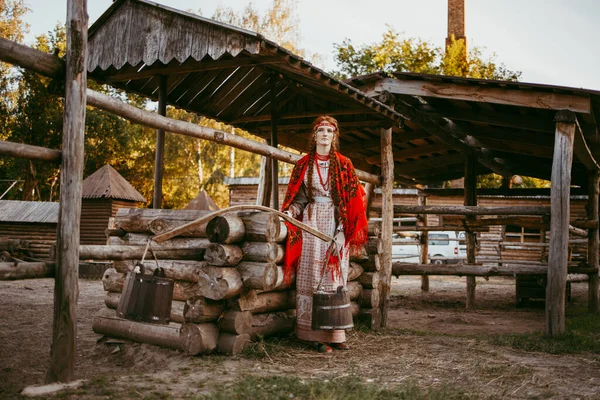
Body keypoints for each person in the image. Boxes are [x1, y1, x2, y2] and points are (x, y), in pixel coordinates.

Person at [281, 115, 368, 353]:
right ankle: (313, 336)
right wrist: (291, 210)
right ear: (315, 135)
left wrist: (343, 232)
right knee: (311, 276)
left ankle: (336, 334)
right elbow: (298, 198)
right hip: (311, 225)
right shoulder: (303, 165)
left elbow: (353, 198)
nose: (325, 135)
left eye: (329, 131)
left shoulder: (344, 164)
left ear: (334, 136)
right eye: (321, 131)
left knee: (334, 278)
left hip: (335, 225)